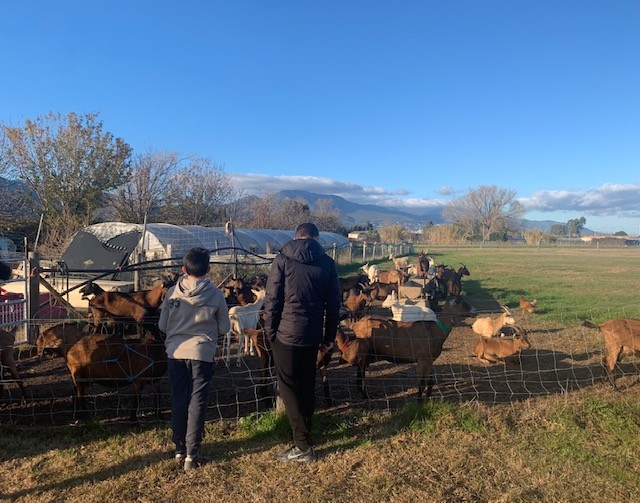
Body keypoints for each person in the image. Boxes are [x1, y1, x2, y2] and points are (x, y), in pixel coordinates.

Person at [263, 222, 341, 463]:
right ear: (316, 238)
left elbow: (272, 298)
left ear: (296, 236)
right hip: (312, 334)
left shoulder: (282, 259)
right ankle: (306, 434)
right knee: (306, 384)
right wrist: (328, 338)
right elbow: (334, 304)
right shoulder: (327, 263)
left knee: (288, 386)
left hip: (285, 335)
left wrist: (270, 331)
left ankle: (303, 446)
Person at [159, 247, 230, 471]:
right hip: (202, 354)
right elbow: (225, 327)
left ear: (183, 269)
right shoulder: (216, 294)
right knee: (197, 401)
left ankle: (179, 448)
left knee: (179, 398)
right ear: (208, 269)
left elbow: (162, 325)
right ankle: (193, 453)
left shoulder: (172, 293)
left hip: (176, 353)